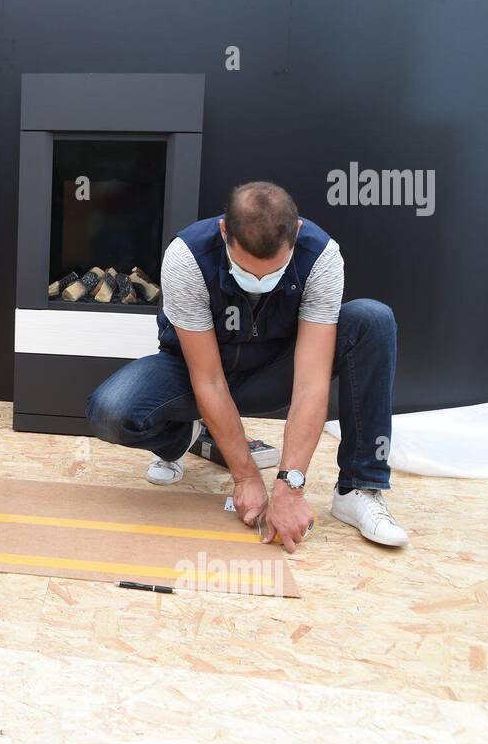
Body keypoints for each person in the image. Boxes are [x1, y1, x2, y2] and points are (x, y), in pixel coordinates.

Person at [86, 181, 406, 551]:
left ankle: (358, 487)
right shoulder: (187, 257)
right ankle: (180, 436)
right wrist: (245, 476)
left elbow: (310, 385)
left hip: (274, 372)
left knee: (371, 319)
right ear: (225, 231)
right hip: (197, 375)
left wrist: (289, 486)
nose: (258, 282)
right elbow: (207, 380)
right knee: (109, 409)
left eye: (273, 271)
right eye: (246, 269)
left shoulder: (321, 258)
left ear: (296, 232)